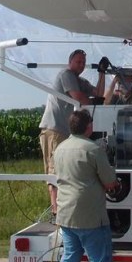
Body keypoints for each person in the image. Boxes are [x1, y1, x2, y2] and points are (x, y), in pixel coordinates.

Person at [50, 108, 127, 262]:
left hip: (66, 213)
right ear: (89, 127)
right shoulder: (93, 149)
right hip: (91, 215)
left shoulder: (60, 148)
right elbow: (111, 181)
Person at [39, 49, 107, 213]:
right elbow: (78, 97)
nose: (81, 65)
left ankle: (64, 207)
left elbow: (98, 93)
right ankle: (56, 210)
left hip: (65, 132)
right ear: (70, 62)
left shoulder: (80, 80)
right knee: (55, 170)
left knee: (65, 169)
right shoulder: (66, 74)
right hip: (54, 130)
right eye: (78, 61)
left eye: (83, 62)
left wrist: (102, 73)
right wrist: (95, 102)